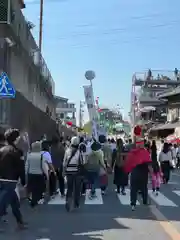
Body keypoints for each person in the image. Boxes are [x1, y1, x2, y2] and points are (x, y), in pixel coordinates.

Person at [0, 129, 27, 230]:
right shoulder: (17, 152)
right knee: (2, 203)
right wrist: (24, 181)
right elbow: (21, 168)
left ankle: (20, 222)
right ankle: (20, 223)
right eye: (19, 137)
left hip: (2, 179)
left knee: (14, 202)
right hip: (11, 181)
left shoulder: (1, 150)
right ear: (16, 139)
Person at [125, 138, 153, 211]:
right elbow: (149, 164)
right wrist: (152, 174)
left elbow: (128, 163)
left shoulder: (132, 152)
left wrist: (127, 172)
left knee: (133, 189)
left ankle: (133, 204)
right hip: (143, 173)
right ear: (142, 144)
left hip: (134, 173)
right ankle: (145, 201)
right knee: (144, 188)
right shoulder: (145, 152)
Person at [63, 136, 84, 211]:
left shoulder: (67, 151)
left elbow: (64, 163)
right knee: (77, 188)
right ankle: (76, 203)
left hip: (68, 172)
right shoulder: (79, 152)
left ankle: (67, 201)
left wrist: (64, 172)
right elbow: (82, 162)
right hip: (77, 172)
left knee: (69, 188)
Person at [26, 141, 49, 207]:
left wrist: (26, 173)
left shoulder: (29, 155)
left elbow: (27, 166)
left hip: (31, 174)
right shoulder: (41, 156)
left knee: (32, 187)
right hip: (39, 174)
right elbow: (44, 167)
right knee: (39, 188)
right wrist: (47, 174)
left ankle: (32, 199)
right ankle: (38, 199)